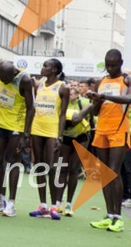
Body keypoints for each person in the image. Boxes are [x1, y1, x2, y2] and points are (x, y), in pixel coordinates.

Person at [0, 60, 35, 217]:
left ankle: (11, 203)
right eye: (1, 78)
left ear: (13, 73)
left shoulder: (24, 80)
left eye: (7, 79)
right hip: (0, 123)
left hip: (16, 127)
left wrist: (26, 134)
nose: (3, 81)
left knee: (13, 161)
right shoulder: (0, 74)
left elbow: (31, 107)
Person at [87, 49, 131, 233]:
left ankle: (119, 218)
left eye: (114, 65)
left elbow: (128, 99)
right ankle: (109, 215)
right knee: (105, 173)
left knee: (114, 171)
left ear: (121, 63)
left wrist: (103, 96)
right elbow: (96, 111)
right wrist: (95, 99)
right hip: (101, 129)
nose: (110, 68)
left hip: (119, 129)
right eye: (107, 64)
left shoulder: (126, 80)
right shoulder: (101, 82)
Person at [28, 58, 69, 220]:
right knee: (39, 166)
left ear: (54, 70)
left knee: (51, 167)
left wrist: (60, 136)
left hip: (52, 130)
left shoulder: (63, 87)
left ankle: (54, 205)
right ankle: (43, 205)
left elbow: (63, 114)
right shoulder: (39, 85)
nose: (43, 68)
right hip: (37, 128)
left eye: (46, 66)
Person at [59, 83, 92, 216]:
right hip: (66, 137)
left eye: (72, 94)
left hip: (81, 137)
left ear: (77, 94)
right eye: (68, 94)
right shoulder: (61, 102)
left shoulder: (83, 102)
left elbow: (88, 116)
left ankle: (69, 204)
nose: (69, 95)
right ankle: (58, 202)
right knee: (62, 169)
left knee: (74, 170)